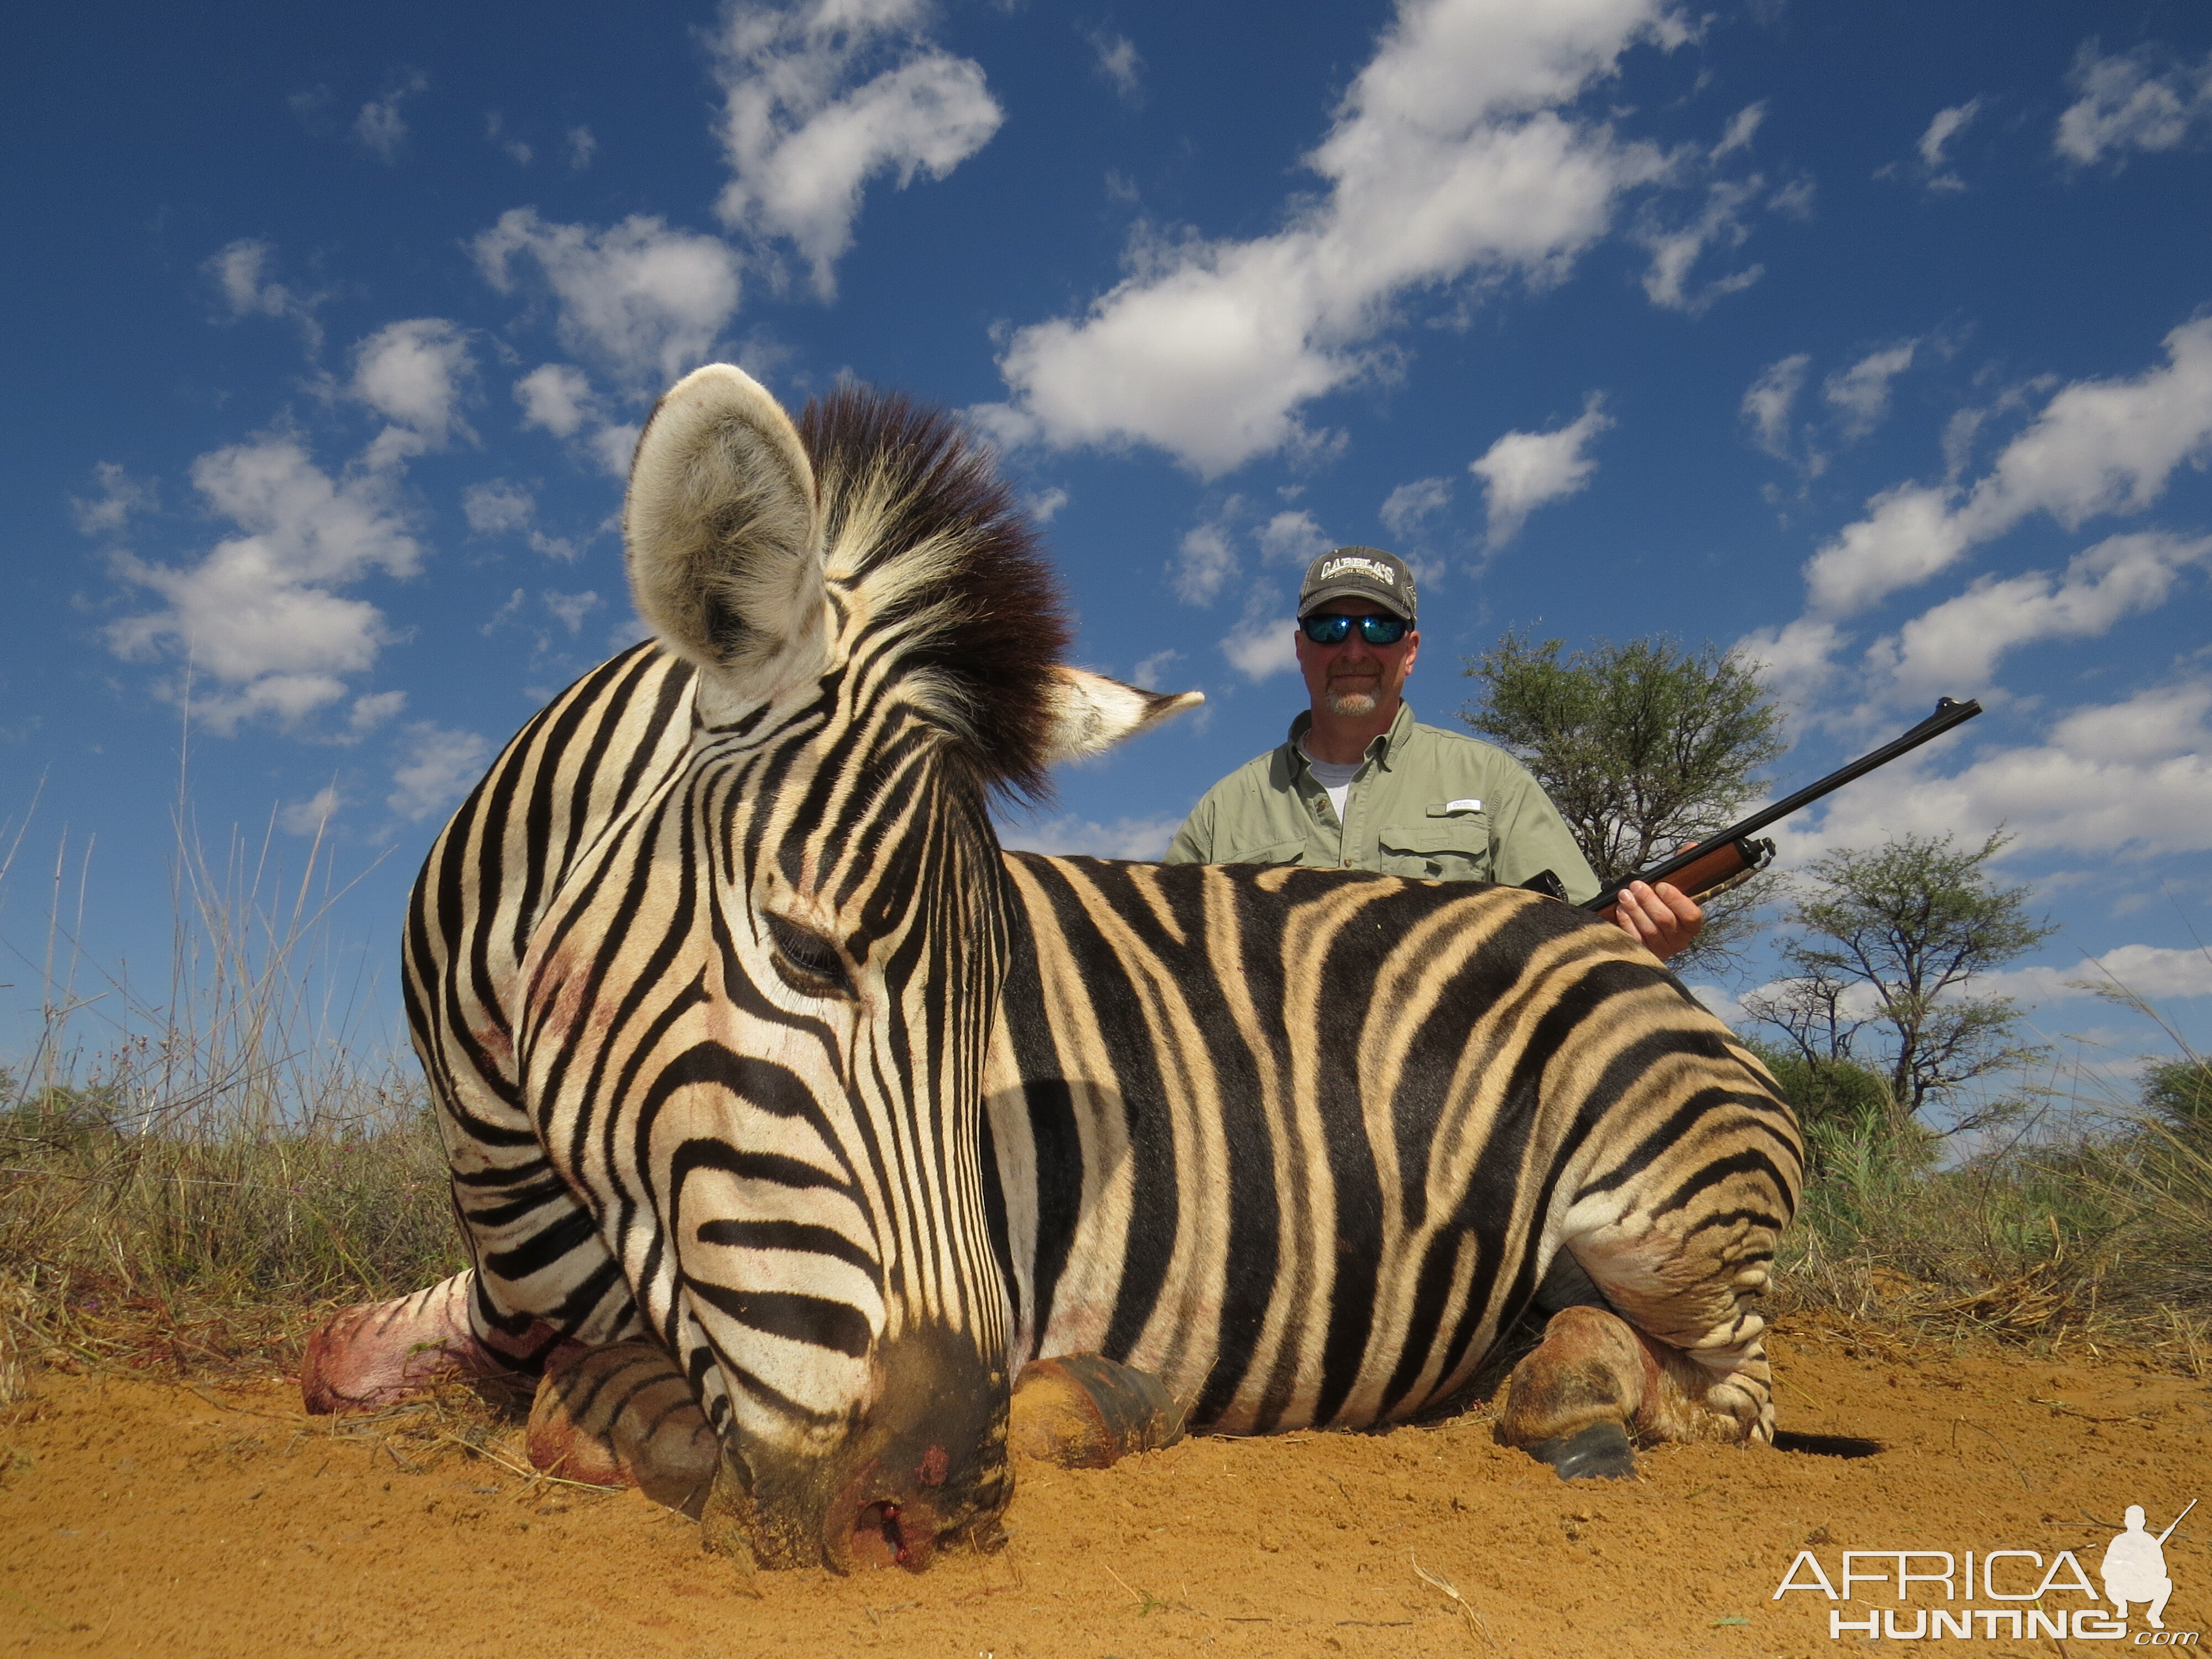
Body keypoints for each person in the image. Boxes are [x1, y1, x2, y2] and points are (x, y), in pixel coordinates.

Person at [1162, 546, 1704, 961]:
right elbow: (1158, 962)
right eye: (1330, 628)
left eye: (1379, 627)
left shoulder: (1492, 781)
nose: (1354, 649)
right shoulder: (1222, 812)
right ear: (1301, 649)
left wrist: (1642, 944)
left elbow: (1582, 942)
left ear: (1410, 651)